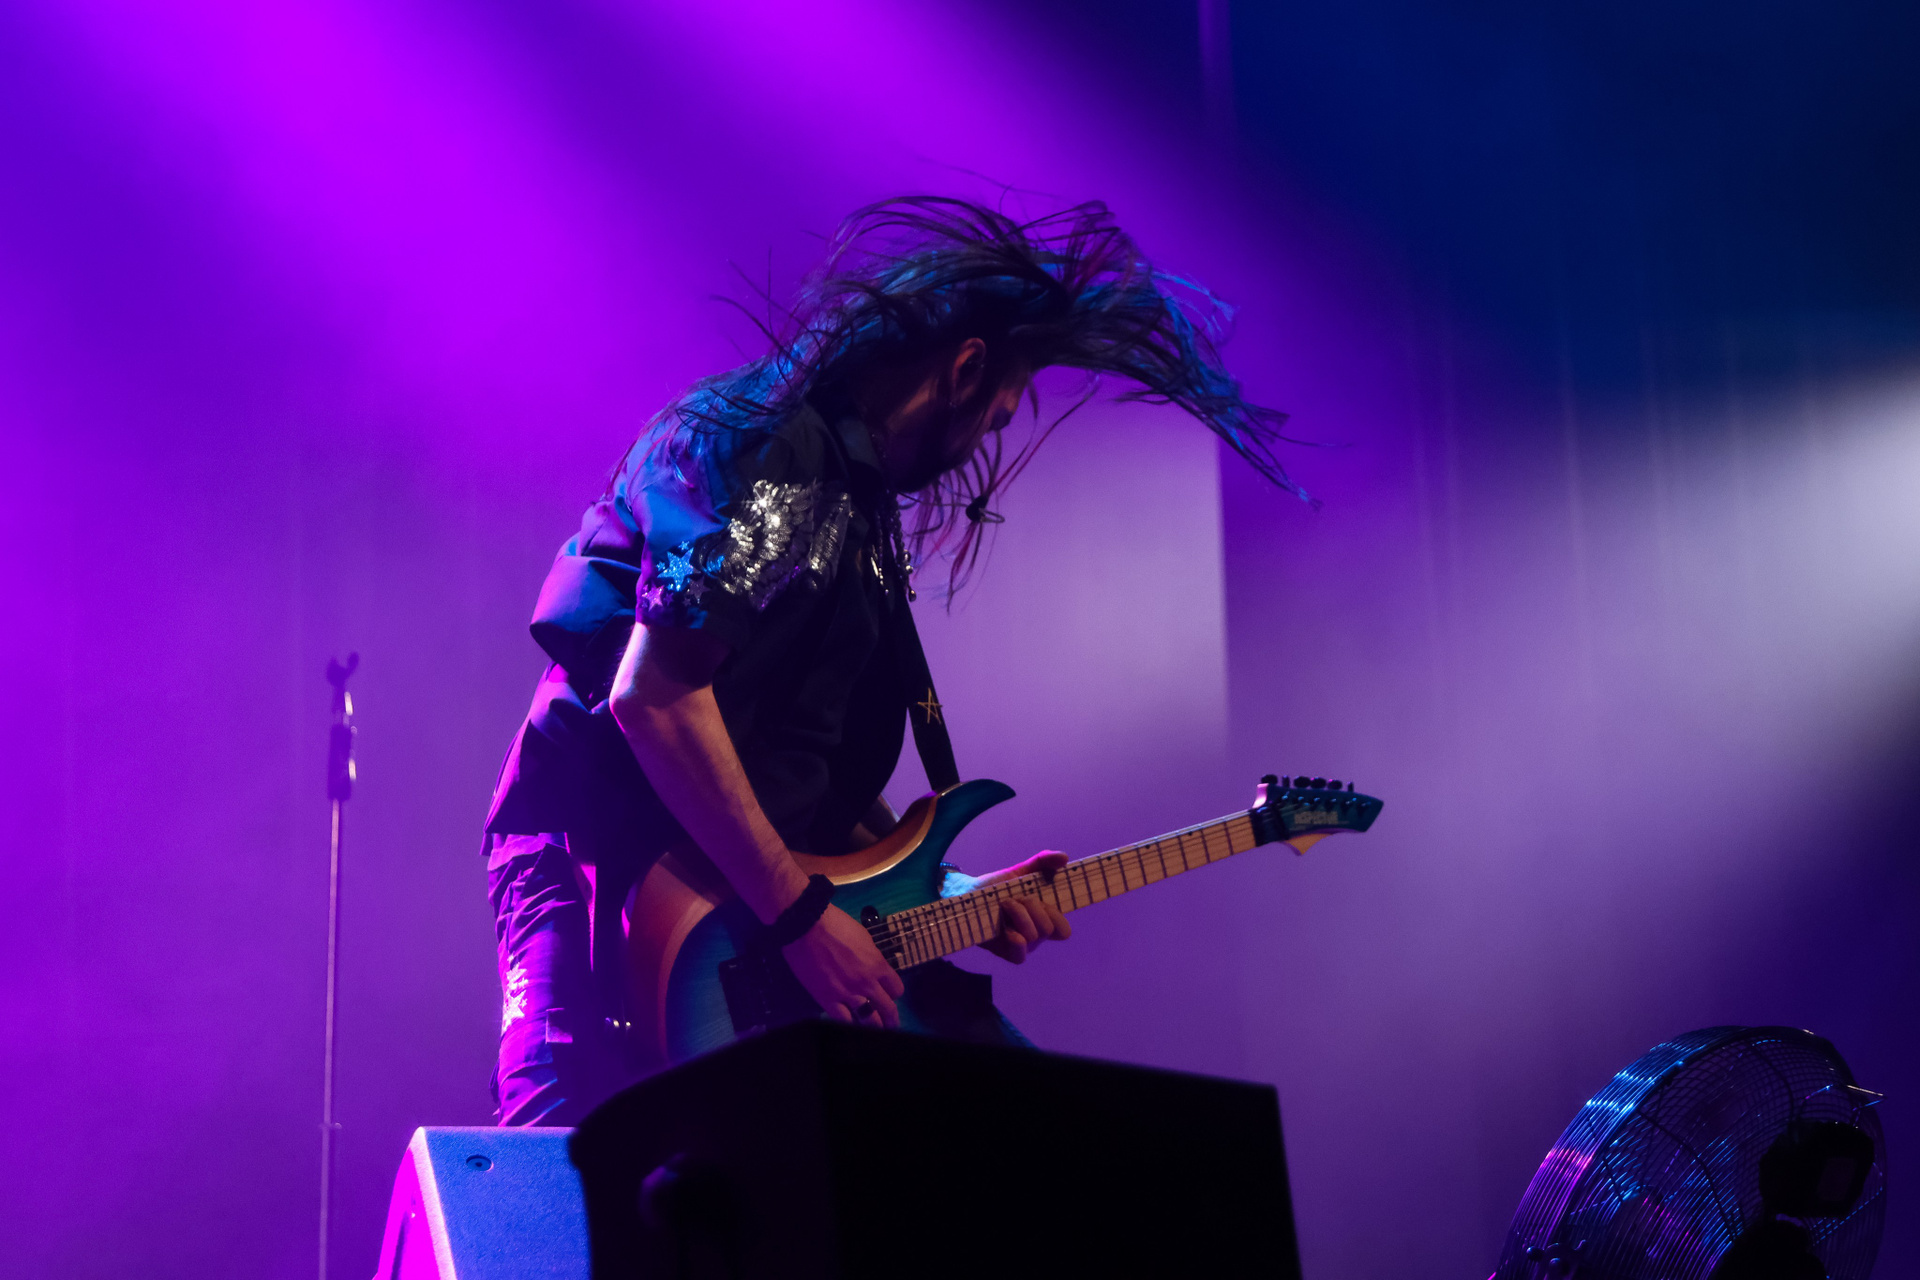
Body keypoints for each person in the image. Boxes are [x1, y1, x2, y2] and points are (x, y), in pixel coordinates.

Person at [482, 197, 1302, 1125]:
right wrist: (800, 918)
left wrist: (936, 887)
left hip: (744, 884)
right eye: (1000, 412)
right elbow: (657, 697)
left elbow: (807, 766)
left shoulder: (853, 505)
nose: (989, 439)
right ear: (965, 368)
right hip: (591, 846)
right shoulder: (771, 456)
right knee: (562, 1156)